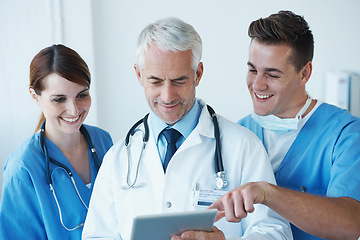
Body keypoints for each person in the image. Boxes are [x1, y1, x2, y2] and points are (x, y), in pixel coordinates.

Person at [82, 17, 292, 240]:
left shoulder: (243, 146)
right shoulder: (118, 159)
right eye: (155, 81)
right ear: (139, 75)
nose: (167, 96)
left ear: (198, 74)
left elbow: (275, 232)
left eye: (179, 81)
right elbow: (97, 236)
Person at [210, 10, 360, 240]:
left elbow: (351, 224)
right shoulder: (236, 135)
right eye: (252, 70)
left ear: (304, 73)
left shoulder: (344, 134)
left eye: (272, 74)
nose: (257, 84)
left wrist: (268, 194)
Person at [0, 44, 113, 239]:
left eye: (82, 95)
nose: (74, 110)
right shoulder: (22, 169)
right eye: (59, 99)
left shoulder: (103, 141)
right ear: (35, 96)